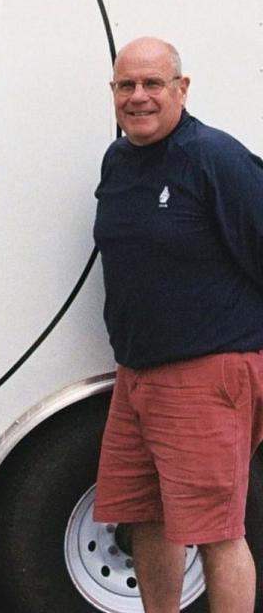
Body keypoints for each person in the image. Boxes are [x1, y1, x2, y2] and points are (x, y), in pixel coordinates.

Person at [93, 36, 263, 613]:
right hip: (136, 375)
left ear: (181, 89)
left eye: (152, 84)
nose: (138, 97)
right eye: (126, 86)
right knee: (143, 515)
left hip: (206, 373)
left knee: (217, 530)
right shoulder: (118, 159)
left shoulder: (215, 158)